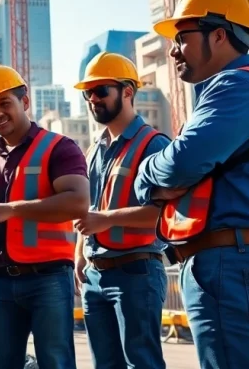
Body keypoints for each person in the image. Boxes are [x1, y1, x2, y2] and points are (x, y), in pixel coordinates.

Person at [133, 0, 249, 369]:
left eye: (182, 37)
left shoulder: (235, 86)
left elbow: (179, 164)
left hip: (234, 265)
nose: (173, 49)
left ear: (218, 35)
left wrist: (146, 171)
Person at [0, 63, 90, 369]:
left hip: (47, 279)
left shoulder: (60, 148)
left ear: (25, 102)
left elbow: (78, 202)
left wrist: (11, 210)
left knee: (55, 362)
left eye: (4, 103)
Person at [71, 52, 171, 369]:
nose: (93, 99)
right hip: (95, 275)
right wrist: (79, 255)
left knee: (141, 364)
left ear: (127, 91)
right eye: (88, 93)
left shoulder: (153, 144)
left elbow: (161, 214)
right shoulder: (94, 149)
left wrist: (104, 221)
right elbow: (89, 209)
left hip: (135, 273)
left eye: (101, 90)